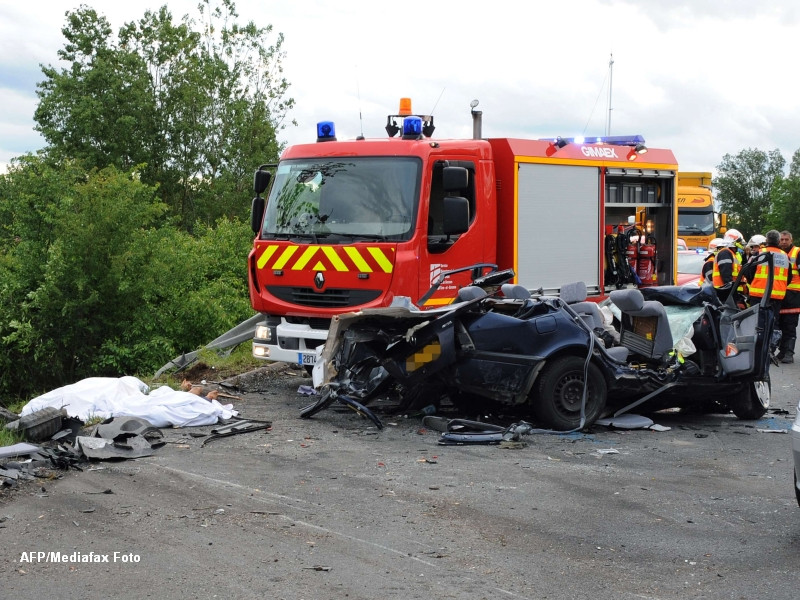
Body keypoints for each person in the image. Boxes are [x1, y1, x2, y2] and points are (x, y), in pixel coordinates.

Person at [741, 229, 790, 310]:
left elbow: (747, 271)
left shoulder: (759, 254)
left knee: (756, 321)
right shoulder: (785, 256)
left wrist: (754, 282)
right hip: (777, 296)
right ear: (778, 241)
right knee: (773, 321)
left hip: (758, 295)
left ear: (767, 241)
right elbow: (789, 277)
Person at [776, 230, 800, 363]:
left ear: (791, 240)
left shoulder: (797, 252)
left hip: (794, 295)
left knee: (790, 326)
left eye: (786, 239)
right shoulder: (778, 254)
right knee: (780, 325)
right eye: (782, 240)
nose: (784, 242)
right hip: (780, 294)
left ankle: (789, 353)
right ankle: (783, 350)